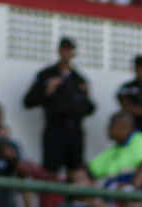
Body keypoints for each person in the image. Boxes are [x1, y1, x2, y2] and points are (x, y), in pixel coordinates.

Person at [24, 37, 94, 176]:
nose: (67, 53)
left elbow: (90, 108)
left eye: (70, 50)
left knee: (75, 173)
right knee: (50, 172)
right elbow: (28, 102)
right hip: (54, 130)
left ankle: (73, 198)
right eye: (64, 49)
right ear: (59, 51)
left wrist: (85, 96)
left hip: (74, 131)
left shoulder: (79, 79)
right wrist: (47, 92)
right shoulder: (46, 75)